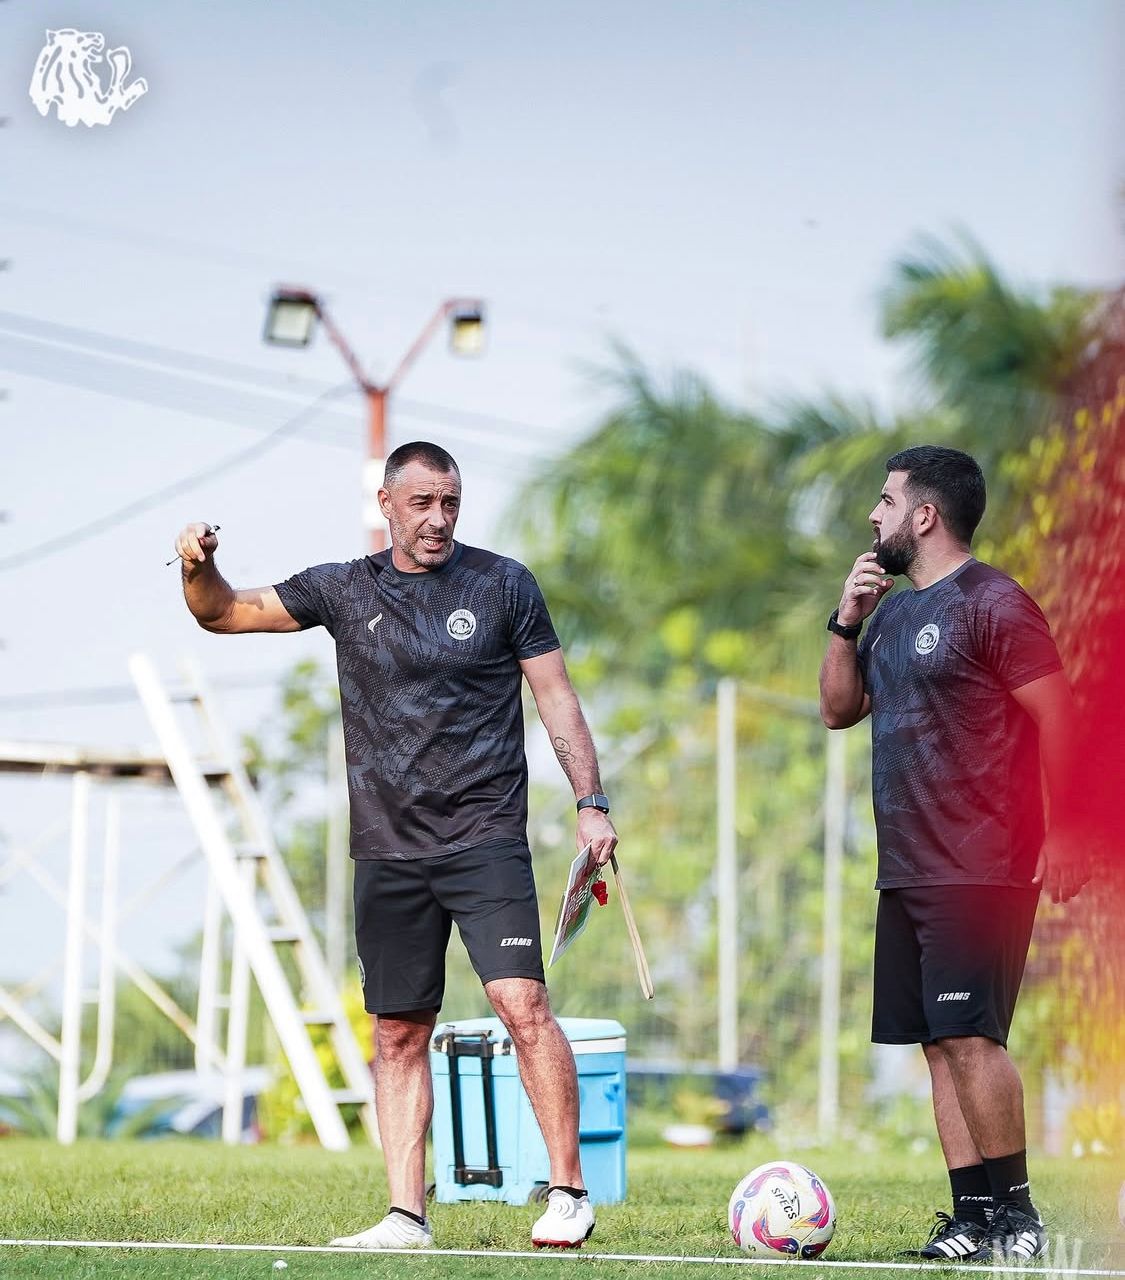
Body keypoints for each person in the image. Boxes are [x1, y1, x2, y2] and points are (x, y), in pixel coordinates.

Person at [174, 440, 618, 1251]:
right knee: (397, 1032)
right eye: (421, 503)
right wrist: (196, 564)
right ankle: (406, 1217)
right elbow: (221, 611)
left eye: (450, 502)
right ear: (387, 504)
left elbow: (556, 698)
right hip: (386, 848)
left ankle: (567, 1193)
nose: (438, 519)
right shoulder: (344, 587)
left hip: (483, 838)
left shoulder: (503, 584)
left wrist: (590, 803)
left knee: (521, 1004)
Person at [818, 445, 1088, 1264]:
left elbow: (1062, 718)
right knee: (938, 1042)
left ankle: (1018, 1220)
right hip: (906, 864)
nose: (874, 515)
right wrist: (845, 621)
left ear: (924, 515)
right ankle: (972, 1218)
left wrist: (1071, 832)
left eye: (885, 500)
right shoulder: (893, 613)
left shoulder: (994, 603)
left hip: (982, 862)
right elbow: (837, 711)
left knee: (971, 1037)